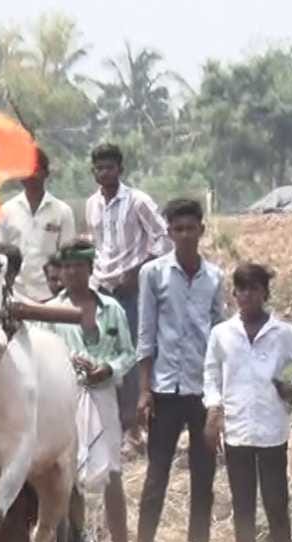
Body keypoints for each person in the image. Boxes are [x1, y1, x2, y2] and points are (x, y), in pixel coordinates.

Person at [203, 263, 292, 542]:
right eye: (241, 289)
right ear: (234, 294)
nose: (247, 295)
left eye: (254, 289)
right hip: (237, 429)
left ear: (265, 293)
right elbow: (211, 373)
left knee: (276, 502)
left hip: (272, 428)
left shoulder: (283, 333)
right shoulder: (222, 334)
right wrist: (214, 408)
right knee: (243, 504)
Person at [134, 198, 226, 542]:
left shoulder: (215, 277)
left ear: (201, 230)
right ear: (169, 233)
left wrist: (219, 396)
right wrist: (144, 390)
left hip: (202, 390)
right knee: (157, 472)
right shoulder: (153, 274)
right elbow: (146, 334)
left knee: (204, 473)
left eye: (191, 228)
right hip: (165, 389)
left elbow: (219, 335)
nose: (185, 235)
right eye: (178, 229)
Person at [44, 241, 135, 542]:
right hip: (65, 397)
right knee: (67, 472)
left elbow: (128, 353)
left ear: (89, 268)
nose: (71, 273)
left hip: (103, 395)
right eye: (66, 267)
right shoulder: (49, 312)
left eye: (78, 266)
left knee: (111, 473)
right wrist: (68, 364)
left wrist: (107, 369)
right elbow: (42, 356)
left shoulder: (111, 309)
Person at [85, 143, 170, 450]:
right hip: (102, 288)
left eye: (110, 167)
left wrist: (139, 271)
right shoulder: (91, 204)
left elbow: (163, 238)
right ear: (93, 172)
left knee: (133, 354)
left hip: (131, 290)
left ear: (120, 169)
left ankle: (137, 427)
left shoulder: (137, 201)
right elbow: (98, 245)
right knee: (104, 355)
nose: (104, 173)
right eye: (99, 168)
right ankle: (113, 427)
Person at [0, 148, 76, 302]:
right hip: (15, 295)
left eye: (36, 169)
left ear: (46, 173)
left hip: (50, 295)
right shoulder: (6, 211)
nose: (31, 174)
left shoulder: (62, 211)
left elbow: (67, 256)